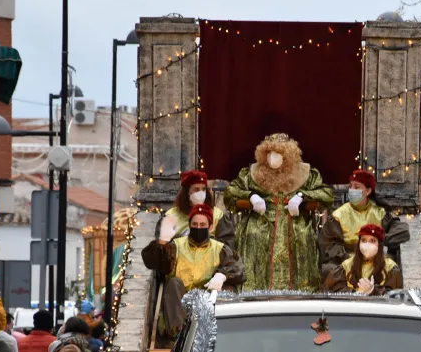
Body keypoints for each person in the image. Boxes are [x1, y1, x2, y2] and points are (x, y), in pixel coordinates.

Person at [223, 133, 334, 291]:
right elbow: (230, 192)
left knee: (302, 238)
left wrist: (302, 196)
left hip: (294, 224)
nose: (272, 158)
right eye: (268, 154)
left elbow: (326, 195)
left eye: (277, 154)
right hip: (261, 223)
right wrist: (251, 196)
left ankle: (300, 295)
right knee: (254, 235)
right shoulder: (251, 174)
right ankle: (255, 295)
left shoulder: (306, 174)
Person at [142, 204, 245, 337]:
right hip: (180, 306)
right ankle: (180, 337)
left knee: (228, 288)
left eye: (203, 224)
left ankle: (221, 333)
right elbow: (151, 262)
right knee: (173, 282)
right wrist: (161, 243)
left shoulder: (220, 249)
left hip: (208, 305)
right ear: (189, 225)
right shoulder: (176, 246)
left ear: (211, 227)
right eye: (195, 224)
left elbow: (238, 268)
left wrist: (222, 275)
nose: (198, 228)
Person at [318, 169, 409, 280]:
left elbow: (401, 229)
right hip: (348, 260)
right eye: (350, 186)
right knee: (329, 270)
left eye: (356, 187)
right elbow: (329, 245)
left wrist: (378, 241)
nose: (351, 190)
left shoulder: (380, 213)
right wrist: (353, 259)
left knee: (392, 270)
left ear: (368, 191)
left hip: (375, 260)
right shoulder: (338, 215)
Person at [324, 224, 403, 295]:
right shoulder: (346, 266)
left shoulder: (391, 268)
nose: (367, 245)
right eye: (364, 240)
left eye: (372, 241)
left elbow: (394, 297)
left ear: (380, 245)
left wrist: (373, 291)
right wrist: (356, 293)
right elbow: (331, 291)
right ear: (359, 243)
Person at [165, 170, 235, 248]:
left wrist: (208, 240)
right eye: (196, 189)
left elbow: (228, 245)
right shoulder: (171, 215)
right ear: (187, 192)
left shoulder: (218, 215)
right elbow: (163, 246)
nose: (201, 193)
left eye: (204, 189)